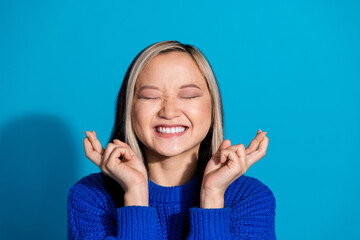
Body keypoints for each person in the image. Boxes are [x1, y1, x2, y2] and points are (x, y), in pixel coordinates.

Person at [67, 40, 276, 239]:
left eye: (189, 95)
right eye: (149, 96)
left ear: (213, 109)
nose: (169, 111)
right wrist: (136, 194)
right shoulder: (91, 197)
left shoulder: (250, 199)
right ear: (128, 110)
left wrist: (212, 196)